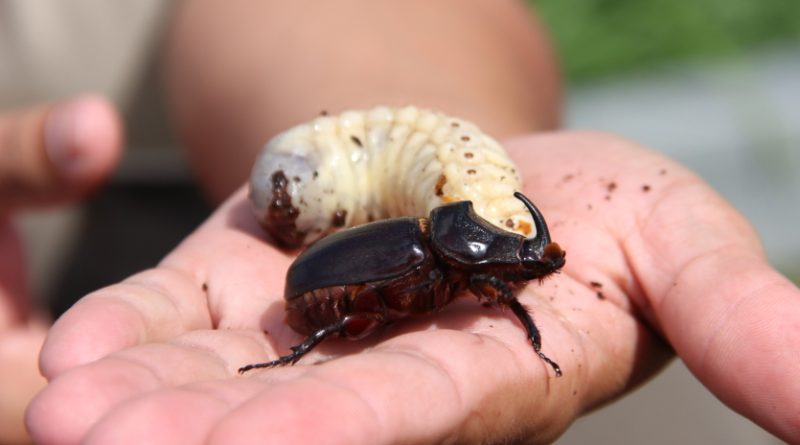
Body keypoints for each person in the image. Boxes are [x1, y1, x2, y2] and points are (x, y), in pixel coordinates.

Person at [5, 1, 800, 443]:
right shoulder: (445, 267)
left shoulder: (454, 251)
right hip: (310, 286)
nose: (520, 271)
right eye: (511, 260)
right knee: (354, 320)